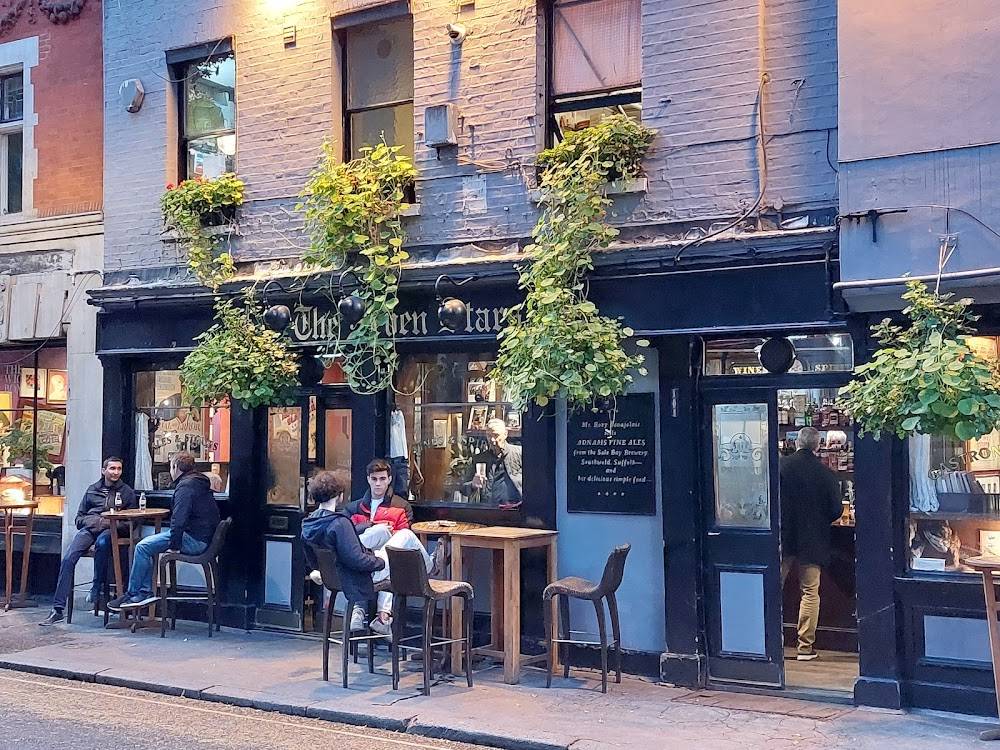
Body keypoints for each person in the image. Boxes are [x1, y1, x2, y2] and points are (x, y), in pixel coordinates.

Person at [302, 471, 443, 636]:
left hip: (334, 576)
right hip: (361, 576)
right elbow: (356, 559)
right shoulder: (340, 524)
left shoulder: (309, 523)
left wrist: (366, 528)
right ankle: (430, 567)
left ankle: (378, 616)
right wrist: (381, 561)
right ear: (339, 496)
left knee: (381, 531)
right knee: (406, 535)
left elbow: (312, 560)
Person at [108, 451, 221, 611]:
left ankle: (136, 593)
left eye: (170, 467)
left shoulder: (186, 486)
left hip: (194, 540)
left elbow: (179, 519)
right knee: (147, 547)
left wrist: (174, 545)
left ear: (175, 467)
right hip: (202, 538)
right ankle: (144, 592)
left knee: (142, 547)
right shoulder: (198, 482)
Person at [39, 457, 136, 626]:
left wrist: (110, 524)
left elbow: (131, 522)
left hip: (111, 532)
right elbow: (78, 518)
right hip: (90, 530)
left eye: (119, 469)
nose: (116, 472)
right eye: (112, 468)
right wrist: (96, 522)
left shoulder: (126, 492)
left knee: (103, 544)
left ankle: (96, 586)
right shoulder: (92, 490)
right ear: (103, 470)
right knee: (69, 559)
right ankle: (57, 609)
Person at [779, 426, 844, 662]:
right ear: (817, 445)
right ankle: (804, 647)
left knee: (772, 590)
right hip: (813, 540)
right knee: (810, 592)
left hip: (783, 538)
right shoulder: (826, 474)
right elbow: (836, 510)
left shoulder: (780, 468)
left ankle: (772, 643)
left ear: (797, 443)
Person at [342, 458, 413, 535]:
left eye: (382, 479)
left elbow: (405, 537)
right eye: (374, 479)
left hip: (389, 545)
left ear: (389, 479)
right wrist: (371, 527)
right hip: (360, 545)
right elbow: (344, 535)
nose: (378, 483)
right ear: (368, 479)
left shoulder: (402, 506)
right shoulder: (352, 509)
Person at [466, 419, 522, 508]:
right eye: (489, 436)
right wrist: (472, 484)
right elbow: (463, 487)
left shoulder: (519, 453)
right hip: (488, 510)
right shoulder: (480, 459)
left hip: (514, 510)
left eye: (496, 435)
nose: (492, 440)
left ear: (505, 434)